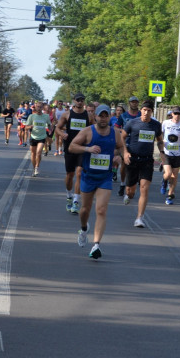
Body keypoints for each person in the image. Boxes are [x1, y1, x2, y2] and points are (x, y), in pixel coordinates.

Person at [67, 104, 126, 260]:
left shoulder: (115, 133)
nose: (103, 118)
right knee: (85, 210)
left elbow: (121, 147)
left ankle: (96, 245)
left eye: (106, 115)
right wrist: (88, 149)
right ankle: (84, 229)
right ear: (96, 117)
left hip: (105, 177)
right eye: (101, 115)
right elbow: (72, 147)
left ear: (109, 117)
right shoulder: (87, 132)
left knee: (101, 210)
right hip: (88, 176)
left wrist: (120, 156)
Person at [121, 98, 162, 228]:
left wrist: (161, 152)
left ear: (152, 112)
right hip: (133, 159)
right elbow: (121, 137)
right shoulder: (133, 123)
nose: (146, 113)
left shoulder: (156, 125)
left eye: (149, 110)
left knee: (144, 188)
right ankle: (127, 194)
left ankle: (139, 218)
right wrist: (125, 152)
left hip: (147, 160)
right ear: (141, 110)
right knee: (131, 191)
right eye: (144, 110)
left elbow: (160, 140)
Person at [56, 93, 91, 213]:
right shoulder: (67, 114)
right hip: (70, 148)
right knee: (70, 175)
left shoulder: (89, 116)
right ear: (74, 101)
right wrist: (62, 134)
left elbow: (94, 130)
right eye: (78, 100)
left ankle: (76, 201)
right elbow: (57, 128)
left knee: (79, 173)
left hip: (83, 148)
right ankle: (69, 196)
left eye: (82, 100)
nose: (80, 102)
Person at [159, 106, 180, 205]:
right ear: (172, 114)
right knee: (168, 174)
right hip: (167, 152)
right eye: (175, 113)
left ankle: (170, 195)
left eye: (179, 114)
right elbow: (159, 136)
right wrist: (160, 145)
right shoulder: (165, 123)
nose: (177, 116)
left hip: (177, 153)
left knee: (174, 176)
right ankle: (164, 182)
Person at [117, 97, 142, 197]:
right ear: (129, 103)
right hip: (126, 144)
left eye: (136, 102)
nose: (134, 104)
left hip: (139, 144)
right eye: (132, 102)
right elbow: (116, 127)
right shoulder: (123, 116)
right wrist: (122, 133)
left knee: (136, 166)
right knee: (124, 165)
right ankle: (123, 184)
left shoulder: (141, 115)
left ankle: (132, 185)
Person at [25, 101, 50, 176]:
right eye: (38, 107)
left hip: (42, 137)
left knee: (39, 152)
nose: (39, 108)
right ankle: (34, 168)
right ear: (35, 107)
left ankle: (37, 167)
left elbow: (49, 124)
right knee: (33, 154)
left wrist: (50, 128)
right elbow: (26, 127)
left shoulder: (46, 116)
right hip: (33, 137)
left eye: (40, 107)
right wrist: (30, 126)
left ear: (43, 108)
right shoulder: (31, 116)